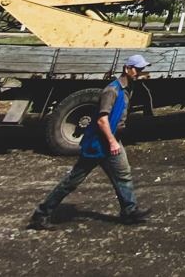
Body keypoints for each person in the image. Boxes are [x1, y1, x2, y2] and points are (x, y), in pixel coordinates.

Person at [28, 55, 154, 230]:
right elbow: (102, 120)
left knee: (123, 175)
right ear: (127, 69)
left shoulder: (127, 88)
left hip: (112, 140)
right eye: (137, 69)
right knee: (72, 181)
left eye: (141, 69)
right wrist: (112, 142)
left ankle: (129, 211)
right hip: (100, 143)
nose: (140, 73)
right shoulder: (112, 90)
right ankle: (41, 214)